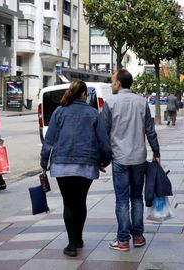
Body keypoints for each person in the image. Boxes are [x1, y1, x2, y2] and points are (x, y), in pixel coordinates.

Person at [41, 80, 111, 257]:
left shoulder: (59, 112)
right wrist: (104, 160)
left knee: (69, 203)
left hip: (62, 165)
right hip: (86, 166)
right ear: (83, 94)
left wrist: (44, 163)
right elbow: (103, 141)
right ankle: (78, 238)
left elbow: (49, 140)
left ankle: (72, 244)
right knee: (80, 201)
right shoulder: (93, 113)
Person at [101, 69, 160, 252]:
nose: (112, 84)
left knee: (121, 200)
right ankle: (138, 237)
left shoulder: (110, 102)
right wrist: (156, 153)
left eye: (112, 81)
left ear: (118, 83)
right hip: (139, 158)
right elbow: (150, 131)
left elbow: (103, 133)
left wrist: (102, 159)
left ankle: (123, 240)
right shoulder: (142, 102)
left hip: (119, 157)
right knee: (136, 197)